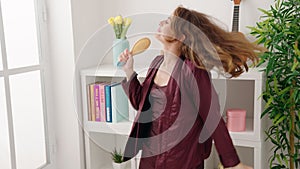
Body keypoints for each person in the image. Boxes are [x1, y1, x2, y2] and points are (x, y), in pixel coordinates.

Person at [118, 6, 263, 169]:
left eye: (167, 21)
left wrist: (232, 163)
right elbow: (141, 105)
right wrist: (129, 71)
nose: (160, 22)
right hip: (149, 159)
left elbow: (212, 117)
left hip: (182, 162)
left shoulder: (192, 71)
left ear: (180, 36)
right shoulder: (156, 63)